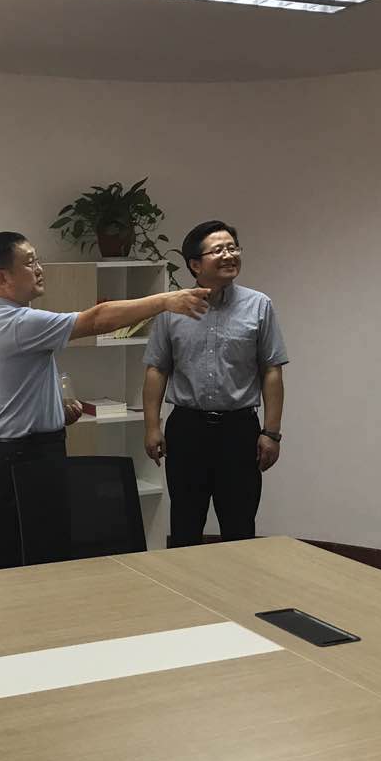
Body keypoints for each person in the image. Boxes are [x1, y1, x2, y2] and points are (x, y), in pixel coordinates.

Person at [0, 231, 210, 570]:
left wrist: (53, 411)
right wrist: (166, 301)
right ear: (2, 277)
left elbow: (11, 389)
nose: (40, 269)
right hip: (24, 456)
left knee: (14, 547)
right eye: (30, 263)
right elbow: (95, 319)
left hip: (7, 450)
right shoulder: (16, 322)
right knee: (30, 556)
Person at [141, 220, 288, 546]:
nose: (229, 255)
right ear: (195, 264)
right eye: (218, 250)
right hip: (187, 428)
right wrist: (152, 426)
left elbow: (271, 370)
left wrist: (271, 432)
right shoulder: (171, 308)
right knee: (185, 523)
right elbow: (157, 369)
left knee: (239, 525)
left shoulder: (259, 305)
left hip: (239, 430)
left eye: (233, 248)